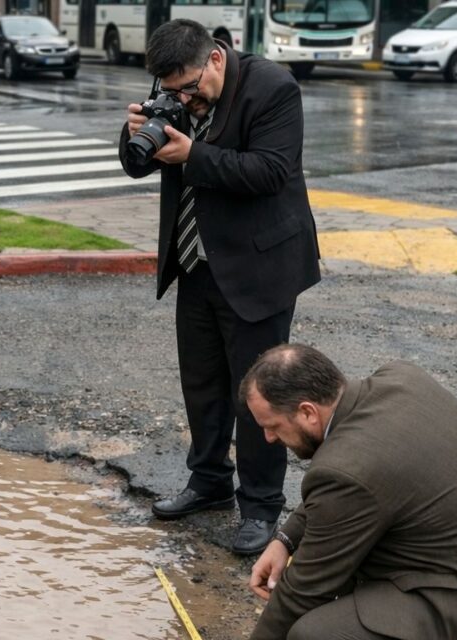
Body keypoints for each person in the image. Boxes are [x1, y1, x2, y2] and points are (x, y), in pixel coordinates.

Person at [117, 19, 320, 554]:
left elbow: (270, 171)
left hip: (258, 267)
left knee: (260, 392)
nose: (184, 98)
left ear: (214, 59)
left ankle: (261, 506)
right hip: (195, 261)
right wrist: (137, 133)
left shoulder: (272, 88)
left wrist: (193, 155)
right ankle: (209, 481)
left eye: (189, 88)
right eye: (172, 90)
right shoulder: (175, 89)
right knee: (202, 381)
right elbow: (136, 167)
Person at [241, 344, 457, 640]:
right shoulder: (400, 378)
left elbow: (305, 590)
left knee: (314, 633)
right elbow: (342, 493)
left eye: (272, 426)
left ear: (307, 412)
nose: (269, 438)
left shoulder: (347, 469)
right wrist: (285, 540)